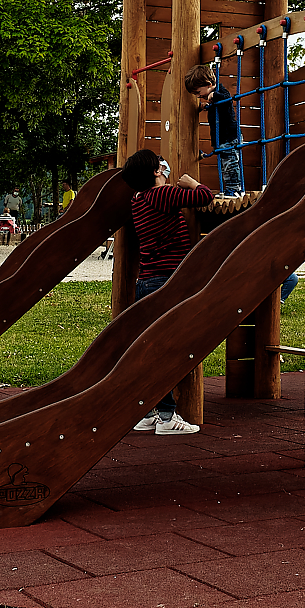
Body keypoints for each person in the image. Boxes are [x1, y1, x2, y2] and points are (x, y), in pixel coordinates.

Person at [124, 147, 213, 434]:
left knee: (152, 349)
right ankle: (166, 416)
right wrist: (191, 183)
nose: (165, 169)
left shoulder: (138, 200)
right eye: (161, 166)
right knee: (169, 351)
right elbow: (205, 197)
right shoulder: (161, 195)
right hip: (167, 281)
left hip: (146, 282)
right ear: (154, 171)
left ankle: (148, 411)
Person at [186, 65, 243, 196]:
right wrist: (206, 106)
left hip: (230, 136)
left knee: (231, 163)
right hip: (222, 138)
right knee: (225, 165)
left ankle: (235, 189)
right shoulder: (211, 98)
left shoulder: (221, 92)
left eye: (197, 92)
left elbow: (226, 100)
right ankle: (230, 189)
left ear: (208, 84)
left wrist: (214, 95)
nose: (198, 95)